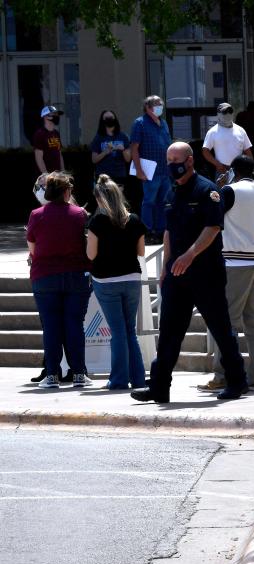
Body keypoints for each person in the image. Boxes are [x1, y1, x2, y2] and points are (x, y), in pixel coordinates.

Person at [131, 142, 247, 404]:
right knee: (169, 331)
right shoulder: (172, 193)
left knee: (220, 329)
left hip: (206, 274)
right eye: (168, 159)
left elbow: (213, 228)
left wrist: (190, 254)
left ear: (190, 160)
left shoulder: (208, 191)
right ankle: (159, 387)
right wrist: (165, 267)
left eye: (177, 158)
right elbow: (169, 232)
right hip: (177, 275)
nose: (172, 164)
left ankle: (237, 381)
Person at [197, 155, 254, 394]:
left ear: (232, 171)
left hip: (236, 261)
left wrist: (217, 189)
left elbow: (213, 216)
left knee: (226, 322)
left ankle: (222, 375)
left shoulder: (230, 190)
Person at [26, 172, 92, 389]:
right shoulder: (80, 214)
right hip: (76, 276)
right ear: (66, 192)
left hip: (44, 277)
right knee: (75, 325)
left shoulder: (36, 215)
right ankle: (79, 374)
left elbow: (33, 250)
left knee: (51, 327)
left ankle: (52, 374)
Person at [86, 175, 147, 390]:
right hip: (132, 278)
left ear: (100, 199)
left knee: (118, 331)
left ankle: (119, 379)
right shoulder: (135, 220)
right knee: (129, 330)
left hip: (106, 280)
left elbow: (91, 255)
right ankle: (138, 378)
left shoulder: (97, 222)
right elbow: (140, 252)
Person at [130, 95, 173, 242]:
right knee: (149, 201)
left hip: (165, 170)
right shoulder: (140, 123)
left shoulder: (164, 123)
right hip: (149, 171)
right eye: (156, 104)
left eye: (161, 103)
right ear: (148, 108)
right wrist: (139, 169)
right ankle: (147, 231)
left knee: (163, 201)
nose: (160, 106)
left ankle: (161, 231)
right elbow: (134, 148)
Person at [202, 103, 253, 185]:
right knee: (223, 196)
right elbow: (205, 151)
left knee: (239, 196)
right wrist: (217, 164)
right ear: (218, 114)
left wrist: (250, 167)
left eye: (230, 111)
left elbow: (248, 151)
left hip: (239, 171)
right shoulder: (213, 131)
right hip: (222, 171)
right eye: (225, 112)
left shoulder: (240, 130)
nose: (228, 114)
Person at [90, 109, 131, 190]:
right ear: (102, 120)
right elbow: (94, 160)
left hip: (119, 174)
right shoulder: (98, 137)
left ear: (115, 119)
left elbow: (128, 159)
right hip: (103, 176)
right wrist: (105, 152)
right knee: (104, 201)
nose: (109, 119)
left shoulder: (123, 136)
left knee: (117, 200)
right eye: (106, 117)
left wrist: (123, 150)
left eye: (111, 117)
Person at [33, 106, 64, 177]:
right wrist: (46, 176)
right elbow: (39, 157)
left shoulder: (56, 133)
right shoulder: (39, 134)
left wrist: (62, 172)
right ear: (46, 117)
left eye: (57, 114)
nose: (57, 116)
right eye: (54, 114)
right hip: (46, 178)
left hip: (57, 176)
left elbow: (59, 154)